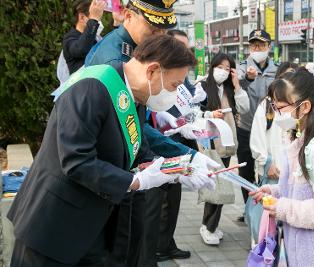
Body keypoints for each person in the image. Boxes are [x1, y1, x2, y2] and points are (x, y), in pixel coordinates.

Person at [7, 35, 207, 267]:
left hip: (90, 226)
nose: (174, 93)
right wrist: (137, 181)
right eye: (174, 85)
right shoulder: (91, 87)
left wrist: (179, 169)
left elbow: (138, 149)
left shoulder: (135, 95)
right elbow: (76, 161)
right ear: (152, 70)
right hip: (52, 228)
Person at [85, 1, 218, 266]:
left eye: (164, 31)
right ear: (128, 16)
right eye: (153, 27)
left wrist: (179, 164)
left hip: (125, 167)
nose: (159, 37)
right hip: (109, 176)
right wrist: (185, 157)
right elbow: (130, 127)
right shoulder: (115, 60)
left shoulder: (136, 50)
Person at [250, 64, 314, 266]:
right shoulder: (301, 142)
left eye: (280, 108)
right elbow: (304, 191)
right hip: (303, 253)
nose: (277, 113)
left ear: (304, 107)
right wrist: (275, 192)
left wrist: (282, 208)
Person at [155, 29, 197, 262]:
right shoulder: (157, 77)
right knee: (162, 202)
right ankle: (159, 245)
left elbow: (190, 102)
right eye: (179, 46)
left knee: (173, 202)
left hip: (181, 140)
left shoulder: (182, 75)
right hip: (162, 146)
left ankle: (167, 242)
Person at [199, 53, 250, 245]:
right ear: (212, 67)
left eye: (227, 69)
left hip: (226, 144)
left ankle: (211, 225)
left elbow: (244, 108)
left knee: (222, 183)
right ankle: (207, 226)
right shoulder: (202, 86)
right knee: (215, 184)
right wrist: (209, 113)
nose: (223, 72)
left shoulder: (230, 89)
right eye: (219, 67)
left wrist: (237, 84)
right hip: (209, 143)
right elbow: (192, 112)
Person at [237, 29, 278, 221]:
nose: (257, 48)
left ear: (269, 47)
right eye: (253, 45)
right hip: (245, 128)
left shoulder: (277, 70)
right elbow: (235, 92)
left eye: (261, 45)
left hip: (269, 131)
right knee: (246, 171)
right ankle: (250, 209)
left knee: (266, 170)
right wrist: (247, 79)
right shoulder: (242, 69)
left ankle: (266, 209)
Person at [250, 62, 298, 186]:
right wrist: (266, 163)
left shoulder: (299, 105)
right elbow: (257, 137)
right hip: (272, 172)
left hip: (293, 174)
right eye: (285, 76)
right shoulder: (267, 104)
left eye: (292, 76)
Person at [63, 0, 106, 74]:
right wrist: (93, 21)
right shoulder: (70, 39)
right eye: (95, 16)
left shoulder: (94, 38)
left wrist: (117, 23)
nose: (98, 22)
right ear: (82, 17)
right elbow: (82, 49)